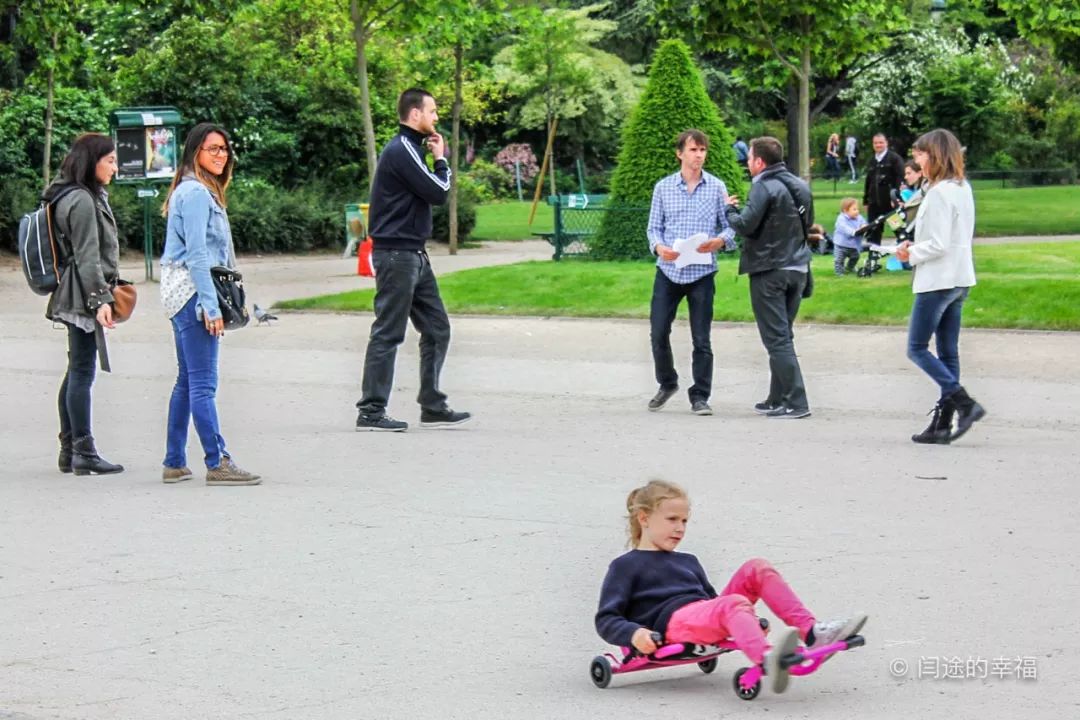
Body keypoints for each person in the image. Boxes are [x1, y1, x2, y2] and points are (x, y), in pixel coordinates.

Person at [595, 480, 867, 694]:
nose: (680, 528)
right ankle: (766, 658)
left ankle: (811, 631)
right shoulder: (626, 566)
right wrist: (634, 634)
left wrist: (746, 620)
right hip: (670, 627)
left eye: (684, 521)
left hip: (702, 615)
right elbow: (607, 619)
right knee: (733, 603)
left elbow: (712, 602)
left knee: (756, 568)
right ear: (644, 518)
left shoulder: (689, 561)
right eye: (672, 520)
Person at [355, 88, 470, 432]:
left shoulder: (410, 150)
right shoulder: (401, 150)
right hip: (397, 255)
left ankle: (431, 405)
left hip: (414, 254)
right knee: (388, 332)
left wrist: (434, 157)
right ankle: (371, 411)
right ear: (415, 114)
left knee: (437, 328)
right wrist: (442, 158)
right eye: (432, 112)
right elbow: (439, 192)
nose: (436, 118)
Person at [159, 123, 261, 485]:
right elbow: (198, 256)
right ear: (194, 153)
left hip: (178, 294)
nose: (221, 155)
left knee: (187, 381)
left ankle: (174, 460)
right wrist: (211, 307)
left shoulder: (190, 190)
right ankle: (217, 461)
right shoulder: (198, 194)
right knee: (203, 384)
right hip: (193, 295)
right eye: (212, 149)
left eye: (224, 149)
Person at [896, 129, 986, 444]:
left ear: (934, 155)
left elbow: (937, 243)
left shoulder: (938, 193)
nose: (917, 161)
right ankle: (943, 422)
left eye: (920, 155)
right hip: (960, 278)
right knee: (948, 351)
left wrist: (910, 253)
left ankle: (963, 402)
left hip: (938, 279)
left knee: (917, 348)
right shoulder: (961, 188)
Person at [44, 133, 124, 476]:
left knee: (75, 368)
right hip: (80, 294)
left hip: (71, 290)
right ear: (93, 162)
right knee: (82, 371)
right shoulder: (83, 200)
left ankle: (69, 448)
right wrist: (101, 301)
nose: (115, 168)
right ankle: (83, 451)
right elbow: (89, 257)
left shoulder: (67, 193)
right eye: (110, 161)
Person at [646, 129, 736, 416]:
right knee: (658, 331)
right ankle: (667, 382)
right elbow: (653, 227)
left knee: (701, 338)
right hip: (669, 270)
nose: (698, 155)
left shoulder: (717, 187)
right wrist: (659, 247)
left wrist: (720, 241)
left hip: (701, 272)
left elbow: (731, 225)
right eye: (693, 150)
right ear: (680, 153)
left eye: (702, 150)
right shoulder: (663, 188)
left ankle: (700, 395)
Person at [723, 137, 813, 419]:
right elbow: (807, 223)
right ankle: (777, 397)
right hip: (798, 267)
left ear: (759, 161)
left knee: (776, 339)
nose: (747, 163)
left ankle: (797, 401)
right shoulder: (800, 185)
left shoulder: (762, 185)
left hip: (769, 269)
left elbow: (745, 225)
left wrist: (729, 209)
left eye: (749, 158)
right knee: (783, 335)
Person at [862, 133, 905, 246]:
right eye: (876, 143)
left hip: (890, 203)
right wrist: (866, 200)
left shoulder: (894, 159)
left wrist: (896, 198)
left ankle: (906, 256)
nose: (878, 145)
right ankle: (872, 259)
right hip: (874, 203)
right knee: (873, 232)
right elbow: (868, 182)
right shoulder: (872, 161)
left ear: (886, 143)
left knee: (898, 228)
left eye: (881, 142)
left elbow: (900, 178)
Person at [832, 198, 867, 276]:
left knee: (855, 257)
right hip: (841, 245)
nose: (857, 211)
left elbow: (863, 223)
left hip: (853, 245)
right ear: (845, 211)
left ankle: (849, 267)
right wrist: (853, 232)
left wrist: (864, 226)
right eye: (854, 209)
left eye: (858, 209)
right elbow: (844, 228)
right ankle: (839, 272)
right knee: (839, 260)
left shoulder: (859, 217)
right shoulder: (841, 219)